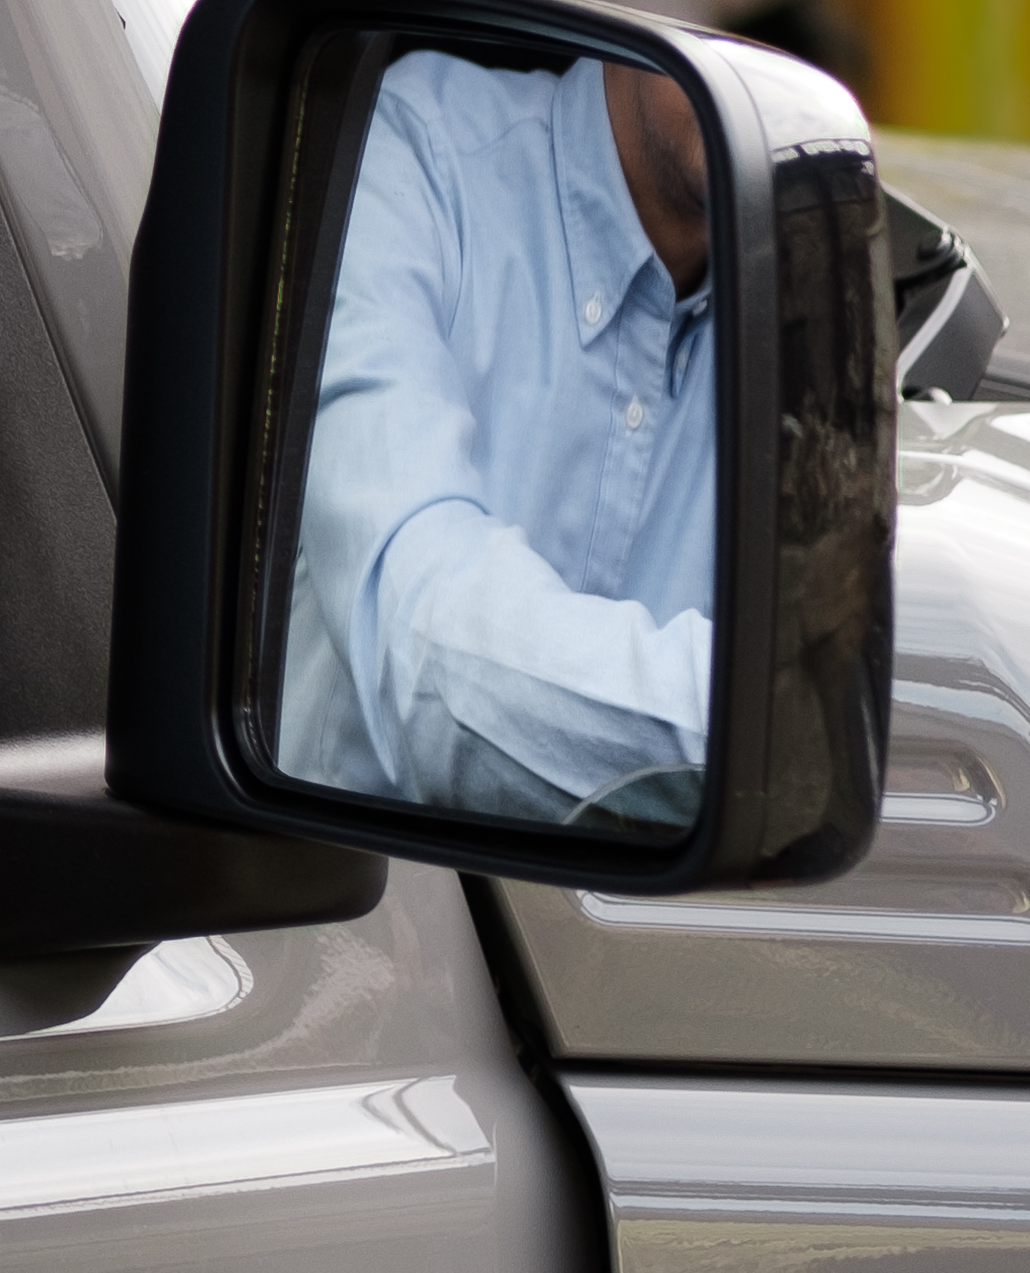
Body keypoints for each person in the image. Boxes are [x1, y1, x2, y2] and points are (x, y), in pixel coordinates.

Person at [274, 41, 718, 831]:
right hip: (343, 922)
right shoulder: (417, 152)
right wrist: (773, 719)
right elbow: (420, 650)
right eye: (730, 16)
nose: (764, 66)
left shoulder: (809, 293)